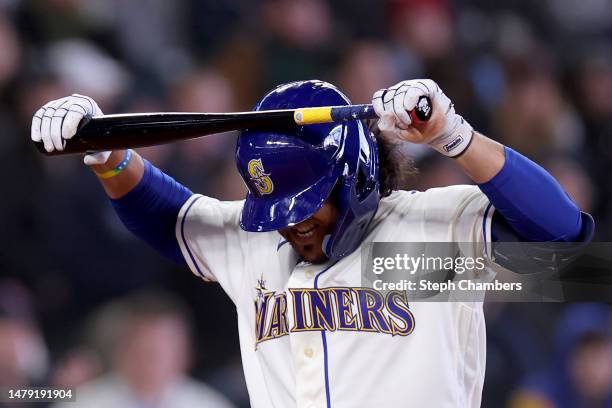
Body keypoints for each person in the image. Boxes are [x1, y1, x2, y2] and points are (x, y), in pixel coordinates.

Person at [32, 79, 593, 407]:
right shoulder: (254, 246)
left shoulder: (432, 228)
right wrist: (107, 153)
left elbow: (563, 235)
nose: (292, 223)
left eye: (308, 204)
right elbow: (167, 214)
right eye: (276, 209)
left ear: (358, 178)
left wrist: (455, 137)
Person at [52, 291, 235, 408]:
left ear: (185, 354)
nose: (150, 362)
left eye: (160, 351)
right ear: (119, 350)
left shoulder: (210, 404)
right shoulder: (82, 403)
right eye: (141, 349)